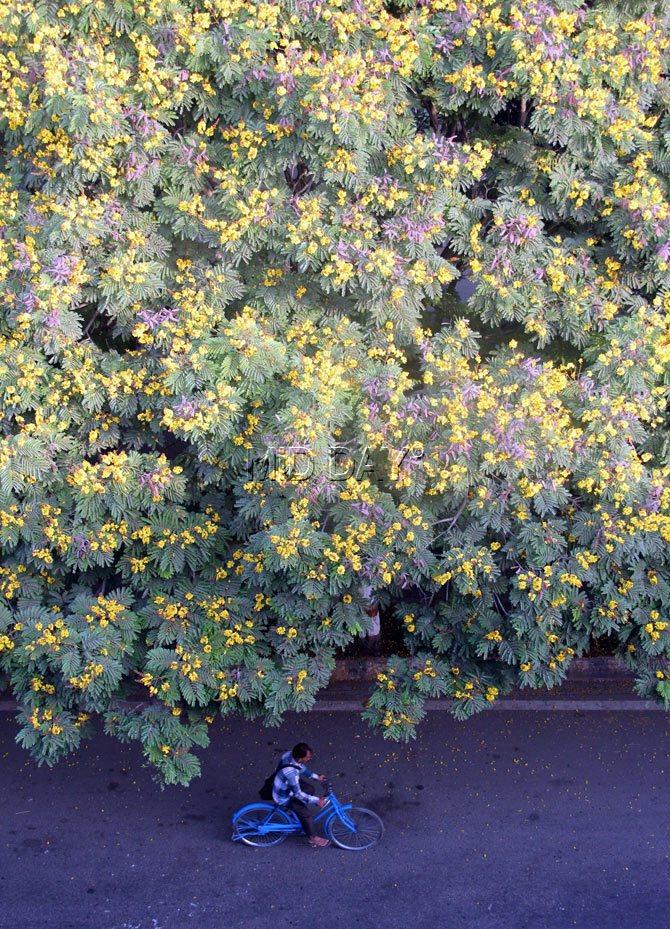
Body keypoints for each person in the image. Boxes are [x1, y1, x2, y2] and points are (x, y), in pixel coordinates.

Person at [272, 742, 330, 848]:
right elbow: (298, 794)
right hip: (283, 796)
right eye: (308, 757)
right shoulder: (291, 773)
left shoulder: (290, 755)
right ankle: (312, 838)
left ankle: (294, 811)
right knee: (306, 815)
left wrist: (317, 777)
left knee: (310, 789)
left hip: (283, 783)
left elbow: (301, 768)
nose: (309, 759)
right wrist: (317, 800)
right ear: (300, 758)